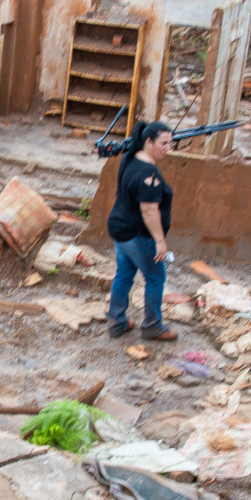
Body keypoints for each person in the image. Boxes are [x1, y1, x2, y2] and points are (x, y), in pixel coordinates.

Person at [105, 121, 178, 342]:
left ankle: (117, 321)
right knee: (156, 278)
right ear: (148, 142)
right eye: (163, 143)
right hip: (138, 236)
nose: (168, 148)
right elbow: (148, 210)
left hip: (120, 228)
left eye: (170, 143)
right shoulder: (149, 176)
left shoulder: (130, 157)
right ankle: (153, 326)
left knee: (124, 275)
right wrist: (160, 241)